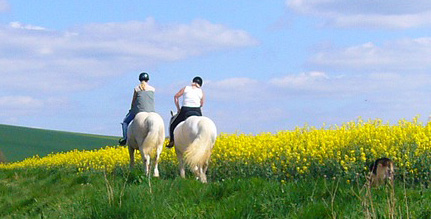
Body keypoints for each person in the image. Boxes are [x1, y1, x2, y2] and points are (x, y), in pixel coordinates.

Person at [167, 76, 205, 148]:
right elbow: (202, 104)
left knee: (173, 124)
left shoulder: (186, 88)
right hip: (197, 111)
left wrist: (178, 108)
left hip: (185, 110)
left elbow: (176, 97)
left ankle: (171, 141)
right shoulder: (201, 91)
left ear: (193, 82)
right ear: (200, 85)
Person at [119, 72, 156, 146]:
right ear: (147, 80)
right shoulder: (152, 89)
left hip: (139, 111)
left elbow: (133, 102)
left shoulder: (137, 88)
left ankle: (125, 139)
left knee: (125, 122)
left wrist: (131, 109)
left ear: (140, 79)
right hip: (151, 110)